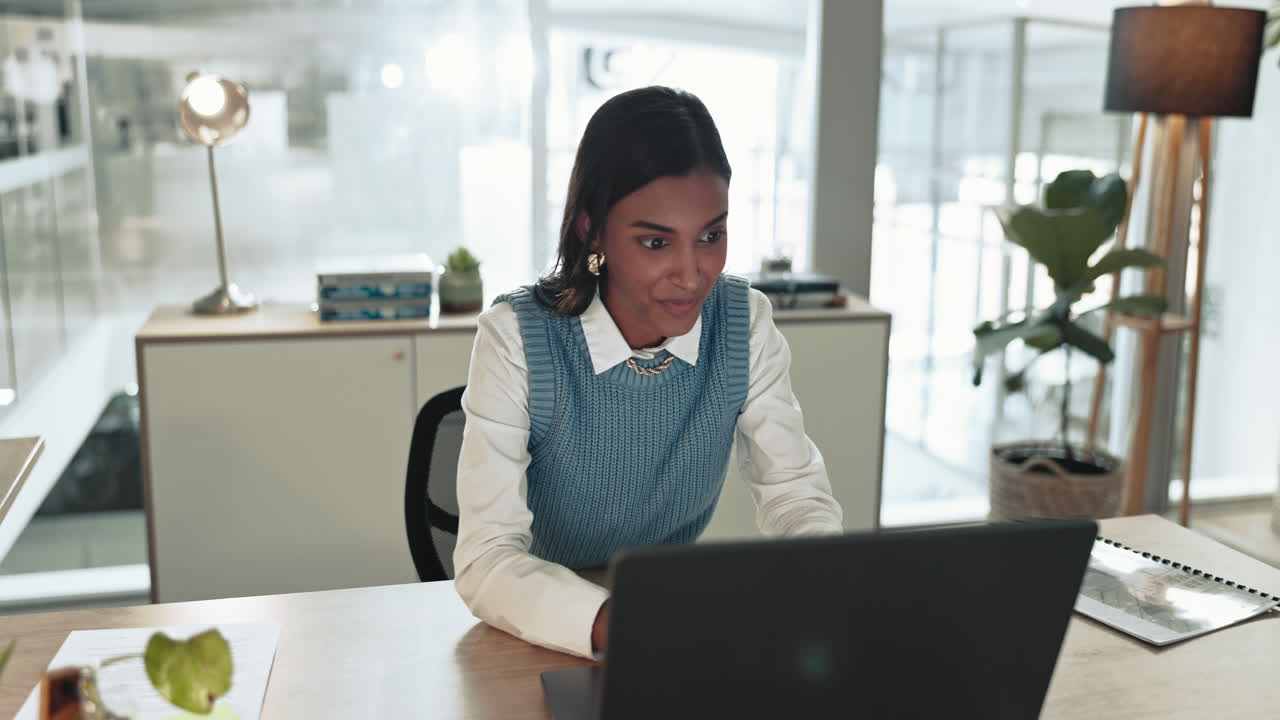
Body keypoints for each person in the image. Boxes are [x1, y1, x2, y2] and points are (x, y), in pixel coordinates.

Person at [453, 85, 843, 659]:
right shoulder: (516, 338)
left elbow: (793, 493)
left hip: (670, 620)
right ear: (592, 230)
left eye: (712, 235)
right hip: (543, 630)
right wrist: (627, 625)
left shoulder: (743, 322)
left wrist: (826, 586)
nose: (692, 274)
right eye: (656, 241)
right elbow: (487, 558)